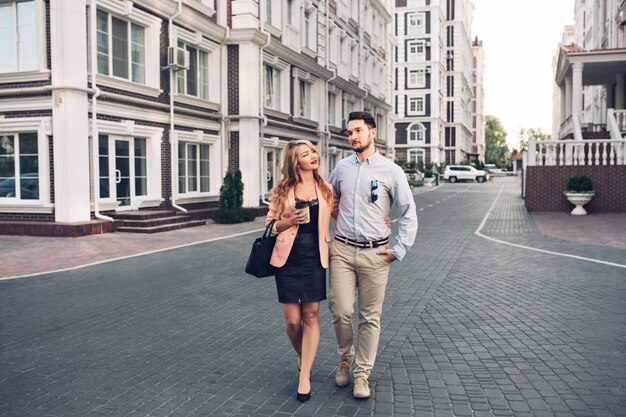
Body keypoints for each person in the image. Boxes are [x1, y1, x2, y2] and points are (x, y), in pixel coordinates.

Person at [328, 111, 418, 399]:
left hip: (376, 254)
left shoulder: (391, 171)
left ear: (372, 132)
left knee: (370, 317)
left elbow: (408, 213)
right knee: (340, 310)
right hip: (342, 250)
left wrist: (398, 250)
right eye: (349, 132)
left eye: (357, 130)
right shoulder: (341, 168)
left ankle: (362, 374)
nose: (352, 136)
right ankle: (345, 357)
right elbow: (331, 200)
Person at [265, 139, 334, 403]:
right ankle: (303, 355)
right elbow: (270, 225)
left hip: (315, 258)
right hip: (287, 258)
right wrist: (289, 220)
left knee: (312, 314)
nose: (313, 156)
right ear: (296, 161)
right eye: (306, 154)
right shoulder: (282, 190)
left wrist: (380, 218)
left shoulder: (325, 188)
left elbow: (344, 213)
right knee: (293, 322)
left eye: (313, 151)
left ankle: (304, 375)